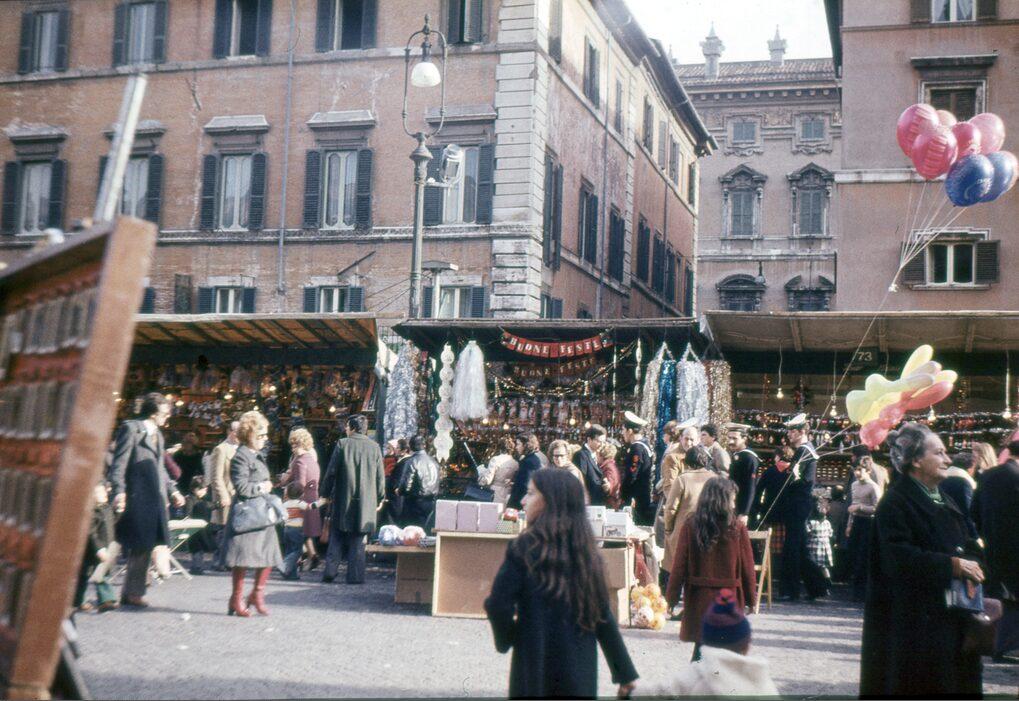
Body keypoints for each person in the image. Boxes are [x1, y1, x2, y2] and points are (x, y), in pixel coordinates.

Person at [484, 468, 638, 698]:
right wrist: (624, 673)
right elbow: (603, 617)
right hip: (578, 672)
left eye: (530, 493)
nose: (523, 500)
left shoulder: (524, 548)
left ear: (550, 501)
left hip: (534, 667)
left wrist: (508, 639)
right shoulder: (587, 554)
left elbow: (498, 604)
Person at [860, 423, 984, 697]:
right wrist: (953, 565)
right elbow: (898, 558)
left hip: (949, 619)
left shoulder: (944, 498)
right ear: (915, 460)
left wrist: (974, 561)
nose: (948, 460)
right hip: (914, 626)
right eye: (939, 453)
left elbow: (968, 542)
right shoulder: (895, 502)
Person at [665, 477, 757, 662]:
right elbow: (747, 568)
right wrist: (751, 598)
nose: (734, 504)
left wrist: (671, 598)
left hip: (699, 599)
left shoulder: (691, 526)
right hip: (729, 599)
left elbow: (679, 566)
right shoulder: (737, 528)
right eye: (732, 499)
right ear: (723, 500)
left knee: (700, 653)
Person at [109, 392, 185, 608]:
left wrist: (173, 491)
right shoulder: (131, 429)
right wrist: (119, 491)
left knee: (145, 544)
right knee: (132, 543)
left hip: (154, 497)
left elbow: (160, 468)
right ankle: (121, 590)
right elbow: (119, 463)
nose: (167, 417)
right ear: (152, 413)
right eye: (164, 413)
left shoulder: (157, 434)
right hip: (137, 496)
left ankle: (133, 591)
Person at [641, 590, 778, 697]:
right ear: (746, 646)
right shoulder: (763, 684)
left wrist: (633, 688)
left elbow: (661, 692)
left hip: (700, 597)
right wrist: (751, 599)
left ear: (705, 642)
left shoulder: (696, 676)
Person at [224, 410, 282, 617]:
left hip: (262, 514)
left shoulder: (257, 455)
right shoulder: (241, 456)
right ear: (249, 435)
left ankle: (257, 595)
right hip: (248, 515)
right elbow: (241, 486)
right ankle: (236, 598)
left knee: (268, 555)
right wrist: (262, 487)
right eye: (261, 435)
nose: (265, 439)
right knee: (242, 559)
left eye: (266, 435)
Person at [321, 414, 385, 584]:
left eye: (347, 426)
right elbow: (380, 477)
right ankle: (355, 576)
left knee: (336, 536)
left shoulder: (342, 444)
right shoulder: (374, 447)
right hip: (366, 501)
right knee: (358, 539)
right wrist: (380, 498)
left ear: (353, 428)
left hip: (343, 498)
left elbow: (331, 472)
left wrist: (324, 494)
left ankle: (330, 571)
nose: (346, 429)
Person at [971, 440, 1019, 662]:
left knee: (999, 595)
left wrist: (986, 535)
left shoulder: (988, 476)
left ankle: (997, 643)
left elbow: (974, 512)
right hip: (1015, 546)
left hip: (992, 546)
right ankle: (1008, 646)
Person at [777, 414, 817, 602]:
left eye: (792, 431)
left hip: (797, 504)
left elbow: (794, 479)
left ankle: (790, 590)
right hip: (801, 504)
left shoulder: (803, 450)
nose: (788, 435)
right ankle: (817, 586)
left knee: (792, 548)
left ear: (802, 432)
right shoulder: (808, 449)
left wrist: (786, 471)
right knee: (800, 547)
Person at [662, 447, 715, 578]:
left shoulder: (682, 479)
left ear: (687, 462)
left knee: (680, 568)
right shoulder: (715, 478)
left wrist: (668, 529)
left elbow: (671, 508)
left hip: (684, 530)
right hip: (709, 529)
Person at [279, 428, 322, 569]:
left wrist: (286, 487)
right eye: (292, 445)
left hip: (301, 501)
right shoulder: (312, 460)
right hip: (312, 498)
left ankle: (293, 565)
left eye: (295, 445)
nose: (292, 448)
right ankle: (311, 557)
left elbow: (300, 485)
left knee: (295, 533)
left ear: (302, 444)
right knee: (304, 533)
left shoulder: (299, 461)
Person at [73, 481, 119, 613]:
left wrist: (118, 512)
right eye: (98, 492)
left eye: (103, 491)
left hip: (106, 546)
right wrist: (98, 548)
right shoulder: (92, 512)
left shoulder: (106, 508)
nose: (103, 494)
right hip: (91, 550)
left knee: (102, 573)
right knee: (84, 576)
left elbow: (113, 522)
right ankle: (78, 602)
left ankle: (106, 600)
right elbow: (90, 532)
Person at [209, 420, 240, 570]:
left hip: (239, 494)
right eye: (237, 431)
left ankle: (231, 560)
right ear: (230, 432)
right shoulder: (221, 449)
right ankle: (219, 560)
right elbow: (216, 476)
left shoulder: (243, 448)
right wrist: (223, 495)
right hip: (226, 494)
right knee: (223, 529)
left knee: (236, 528)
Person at [620, 411, 655, 526]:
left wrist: (623, 493)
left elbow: (632, 475)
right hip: (643, 494)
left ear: (630, 431)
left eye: (623, 430)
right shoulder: (644, 444)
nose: (622, 433)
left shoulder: (637, 448)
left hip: (636, 497)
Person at [398, 435, 440, 528]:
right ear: (424, 445)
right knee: (427, 530)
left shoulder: (412, 461)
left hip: (414, 503)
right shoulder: (433, 461)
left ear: (411, 446)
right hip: (431, 502)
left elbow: (406, 485)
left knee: (412, 532)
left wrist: (400, 491)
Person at [725, 424, 758, 522]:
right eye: (729, 438)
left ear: (744, 439)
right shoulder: (736, 455)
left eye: (734, 438)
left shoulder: (749, 458)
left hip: (741, 509)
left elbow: (750, 487)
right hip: (733, 506)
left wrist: (744, 512)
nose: (730, 441)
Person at [941, 451, 978, 537]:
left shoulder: (941, 479)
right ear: (971, 468)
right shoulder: (964, 484)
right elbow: (967, 513)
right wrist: (975, 536)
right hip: (961, 531)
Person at [507, 432, 547, 511]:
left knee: (507, 520)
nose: (516, 447)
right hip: (525, 504)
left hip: (520, 506)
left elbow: (523, 487)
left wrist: (511, 506)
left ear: (526, 445)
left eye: (518, 444)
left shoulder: (528, 461)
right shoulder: (532, 459)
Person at [184, 476, 215, 575]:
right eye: (202, 490)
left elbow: (210, 505)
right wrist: (188, 521)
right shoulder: (190, 499)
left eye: (205, 490)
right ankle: (196, 567)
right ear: (195, 489)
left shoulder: (203, 499)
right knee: (196, 548)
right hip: (193, 528)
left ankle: (198, 566)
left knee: (199, 548)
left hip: (200, 528)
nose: (204, 492)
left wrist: (218, 504)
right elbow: (188, 513)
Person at [279, 482, 310, 581]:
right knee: (298, 550)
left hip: (286, 529)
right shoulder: (299, 503)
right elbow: (310, 506)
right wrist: (322, 501)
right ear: (301, 494)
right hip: (296, 529)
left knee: (289, 551)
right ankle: (283, 564)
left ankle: (291, 574)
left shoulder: (285, 504)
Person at [804, 498, 833, 599]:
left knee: (815, 569)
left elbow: (807, 532)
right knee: (824, 567)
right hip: (825, 547)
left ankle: (819, 588)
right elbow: (830, 534)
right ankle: (828, 583)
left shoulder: (811, 522)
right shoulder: (827, 523)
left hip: (814, 547)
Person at [477, 436, 519, 506]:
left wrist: (481, 472)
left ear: (499, 447)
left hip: (495, 492)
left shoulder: (495, 460)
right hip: (508, 493)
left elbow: (487, 480)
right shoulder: (515, 463)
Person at [573, 424, 607, 505]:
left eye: (603, 442)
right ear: (589, 439)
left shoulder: (595, 455)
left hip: (596, 502)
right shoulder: (581, 455)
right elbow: (581, 481)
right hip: (588, 502)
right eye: (598, 441)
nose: (601, 445)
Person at [596, 441, 622, 509]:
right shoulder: (610, 465)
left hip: (609, 504)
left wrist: (606, 486)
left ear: (602, 455)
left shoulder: (608, 467)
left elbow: (610, 486)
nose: (596, 456)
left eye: (597, 454)